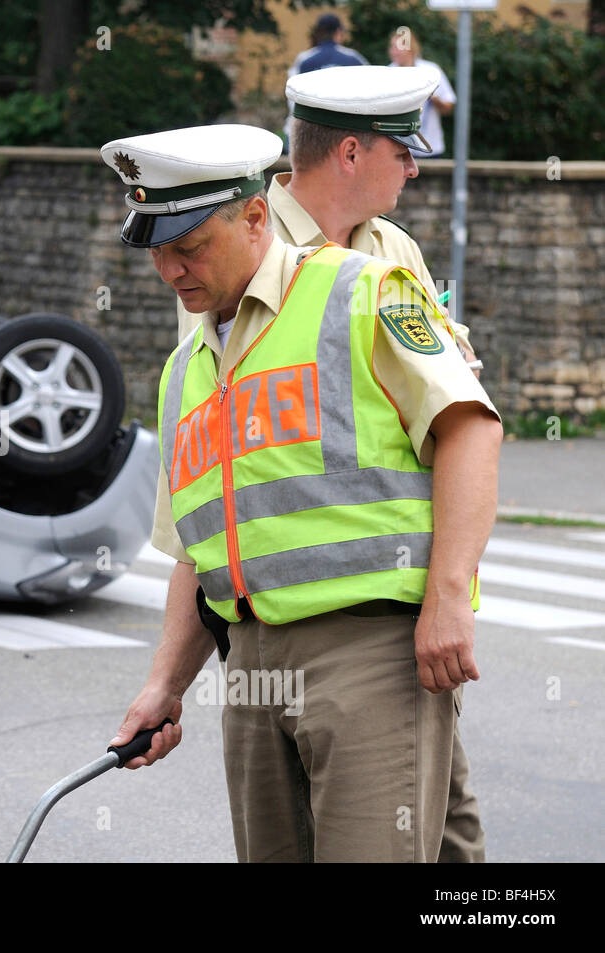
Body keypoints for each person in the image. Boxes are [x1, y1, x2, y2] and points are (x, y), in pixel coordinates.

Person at [100, 121, 503, 862]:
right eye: (155, 249)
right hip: (249, 667)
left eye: (188, 246)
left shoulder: (366, 289)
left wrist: (449, 593)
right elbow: (198, 553)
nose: (170, 270)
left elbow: (470, 428)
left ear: (255, 216)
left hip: (370, 649)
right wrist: (164, 685)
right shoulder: (183, 372)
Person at [283, 14, 368, 148]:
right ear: (338, 32)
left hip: (306, 133)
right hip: (347, 132)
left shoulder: (304, 60)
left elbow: (292, 101)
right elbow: (368, 96)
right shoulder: (354, 59)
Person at [387, 26, 456, 158]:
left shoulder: (430, 71)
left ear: (411, 48)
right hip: (399, 148)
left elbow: (448, 107)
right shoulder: (388, 73)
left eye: (398, 47)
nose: (393, 52)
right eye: (392, 47)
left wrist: (432, 98)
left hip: (430, 148)